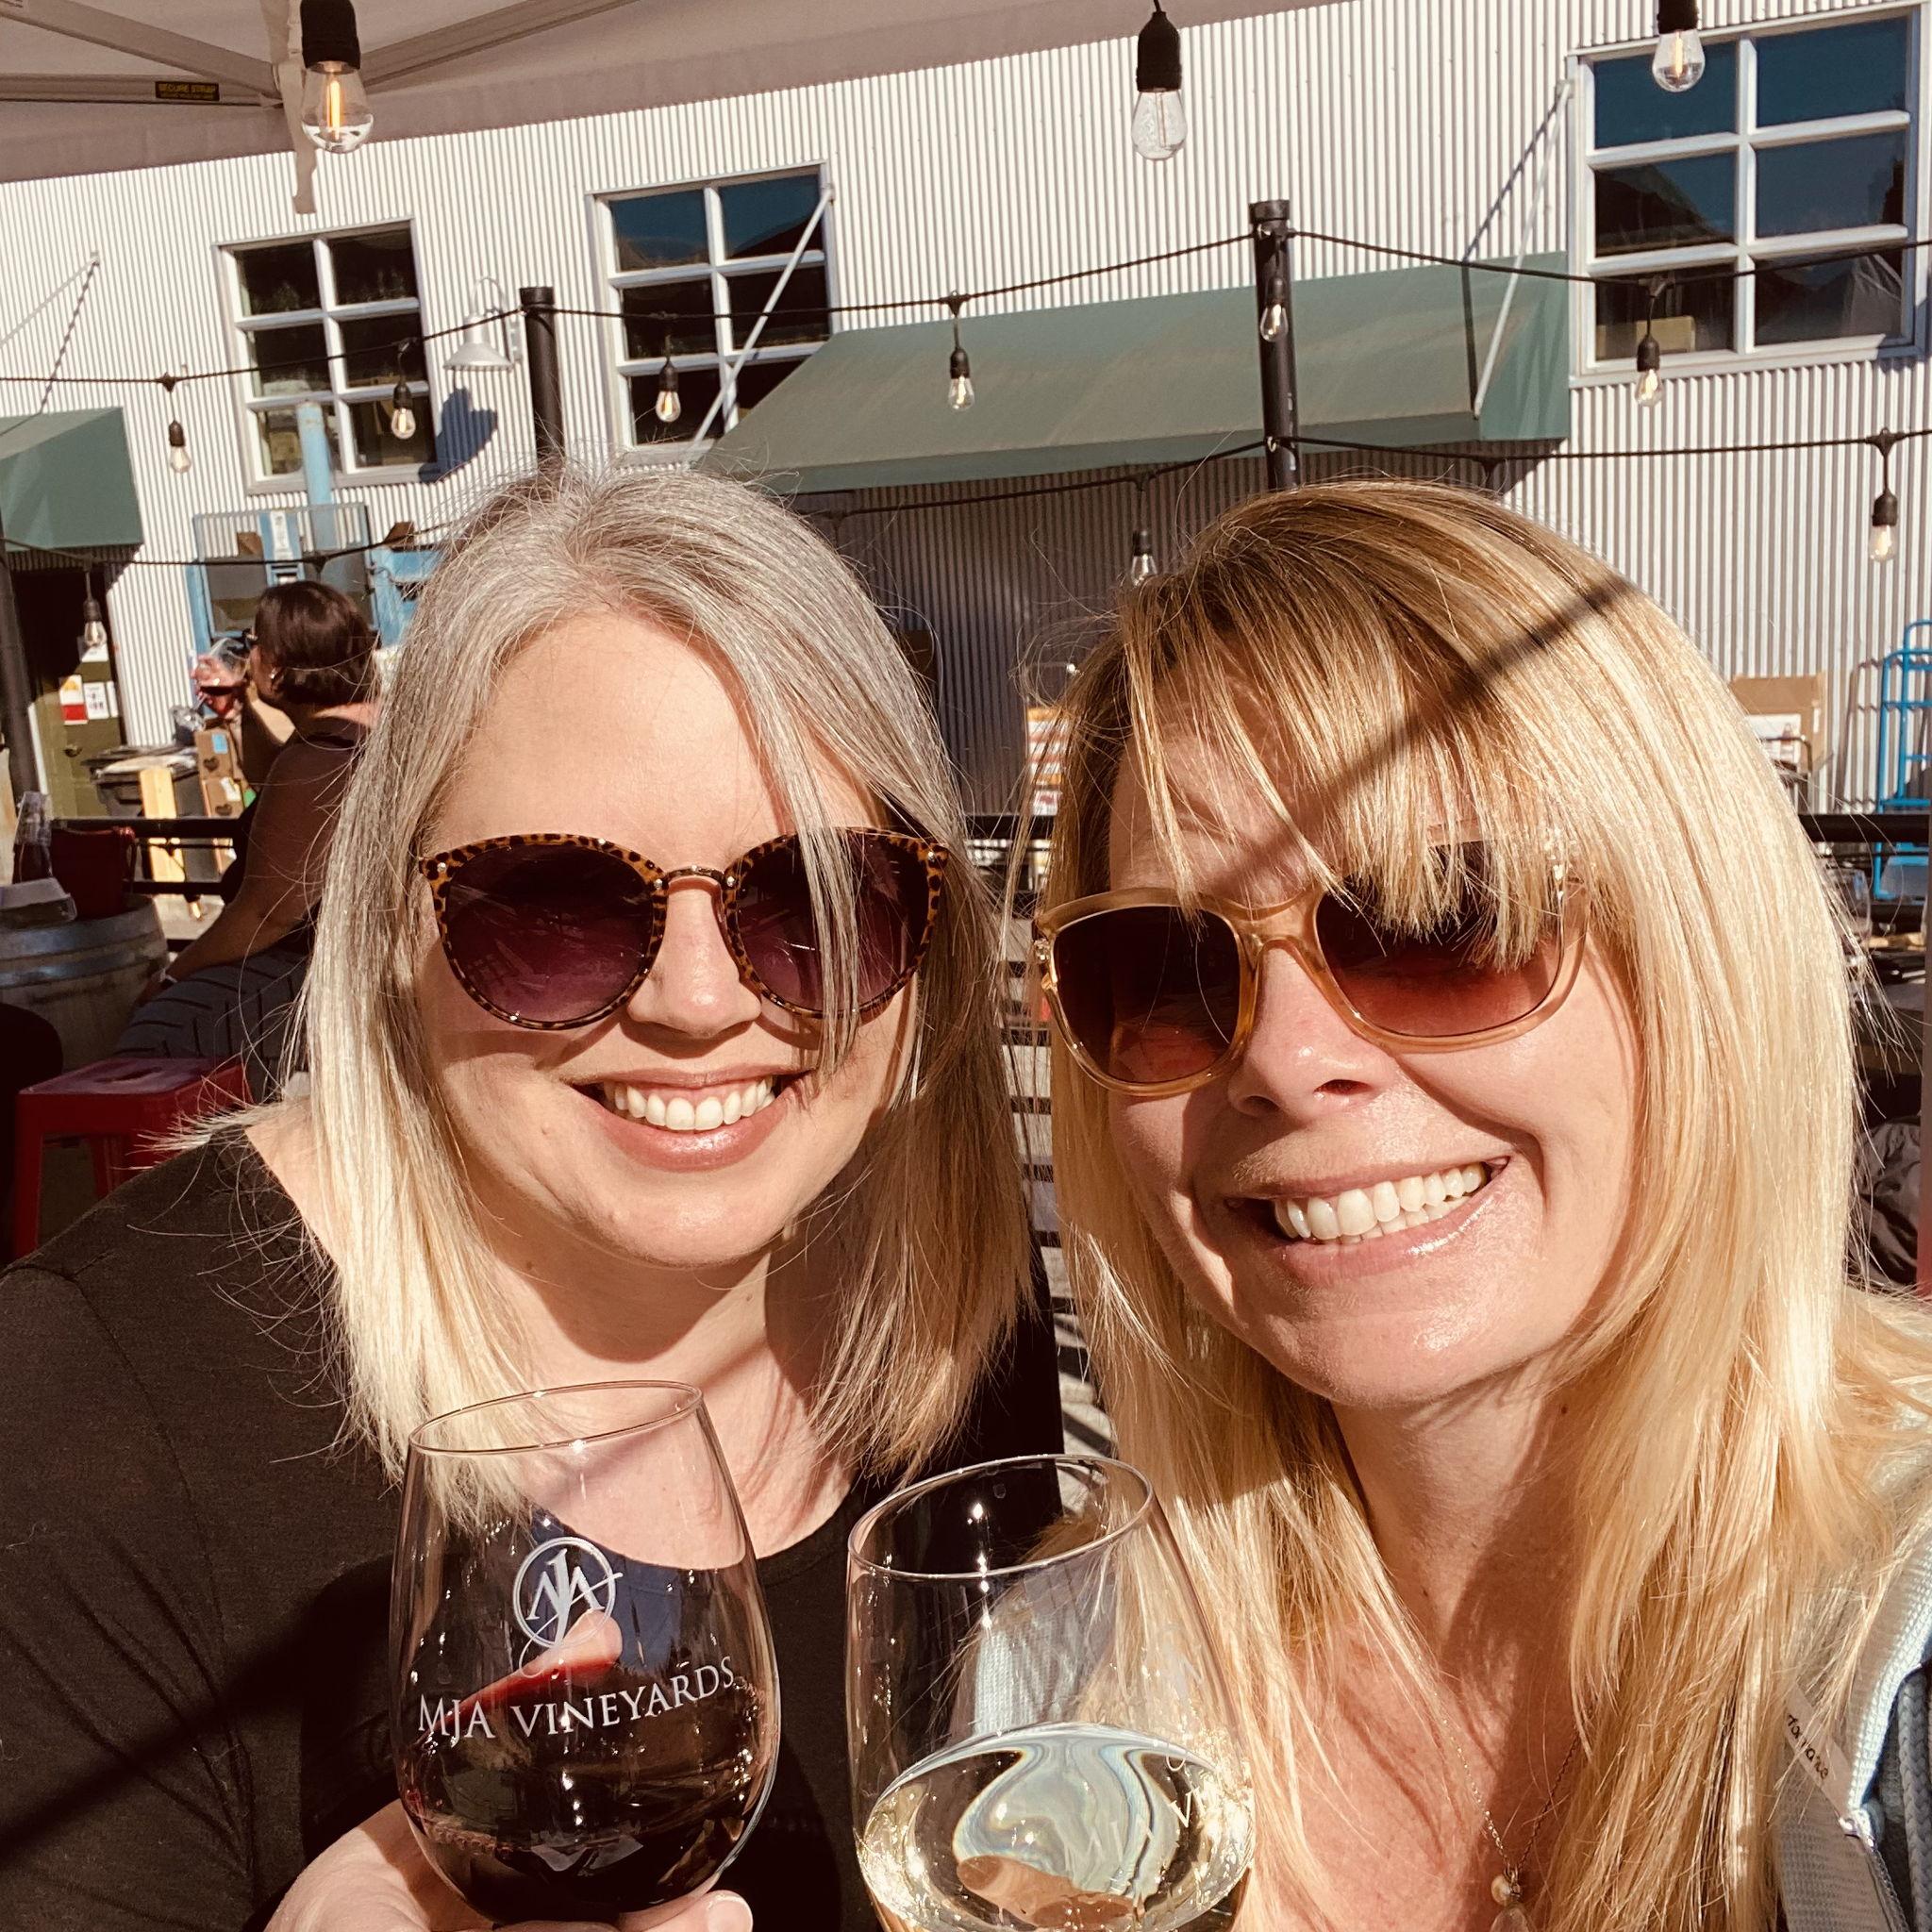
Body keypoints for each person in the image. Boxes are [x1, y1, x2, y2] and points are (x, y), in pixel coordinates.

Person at [0, 466, 1059, 1932]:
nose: (700, 1004)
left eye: (816, 903)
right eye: (556, 906)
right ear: (390, 926)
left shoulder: (944, 1296)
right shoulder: (82, 1411)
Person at [1032, 478, 1932, 1932]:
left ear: (1696, 956)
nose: (1286, 1060)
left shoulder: (1903, 1648)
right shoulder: (1059, 1678)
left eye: (1440, 922)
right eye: (1170, 970)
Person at [118, 579, 378, 1091]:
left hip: (321, 972)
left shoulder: (320, 758)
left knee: (152, 1037)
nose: (248, 654)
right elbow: (270, 777)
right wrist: (240, 710)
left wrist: (171, 976)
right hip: (358, 957)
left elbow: (264, 914)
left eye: (252, 642)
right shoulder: (356, 732)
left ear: (276, 663)